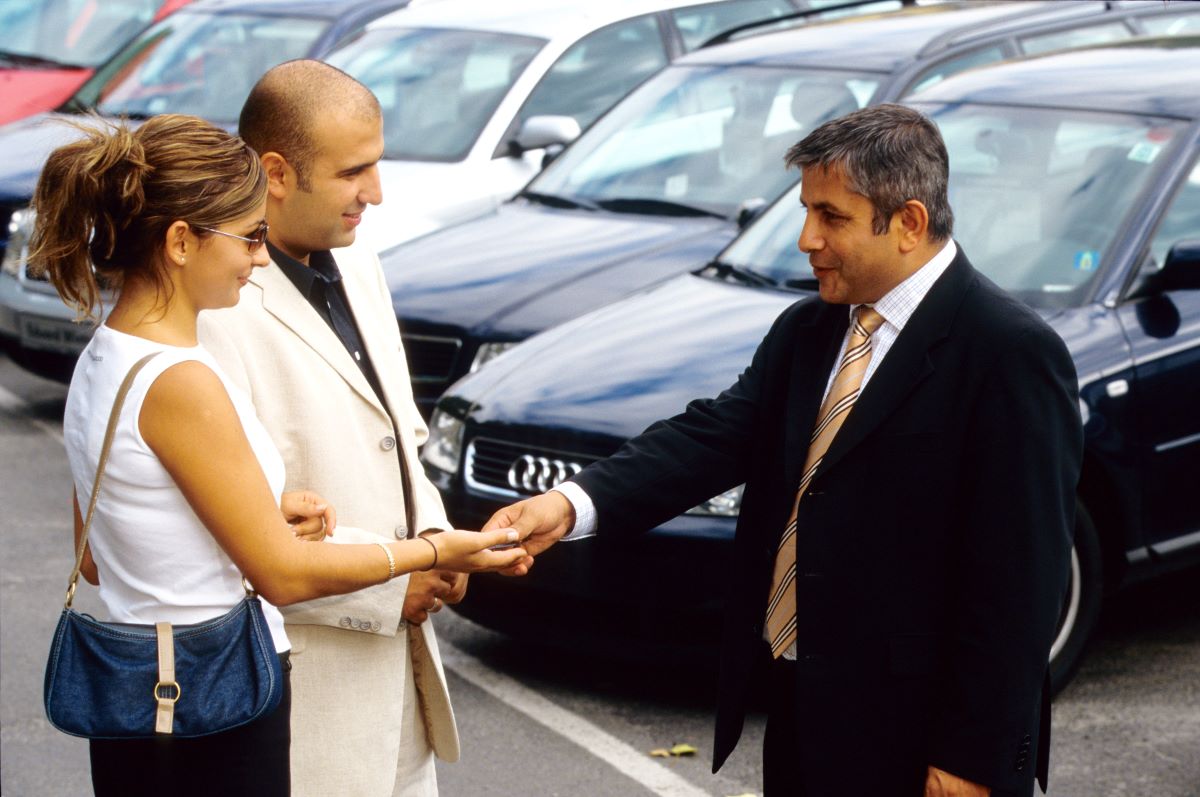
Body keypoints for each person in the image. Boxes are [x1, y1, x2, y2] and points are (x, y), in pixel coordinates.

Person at [484, 104, 1083, 797]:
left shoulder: (1008, 352)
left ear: (910, 224)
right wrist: (570, 504)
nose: (806, 238)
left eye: (831, 217)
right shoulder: (811, 329)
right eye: (806, 211)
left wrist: (972, 757)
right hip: (804, 712)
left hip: (923, 744)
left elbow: (1020, 582)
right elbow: (712, 434)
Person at [30, 113, 525, 797]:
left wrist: (255, 515)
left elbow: (97, 552)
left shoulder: (105, 355)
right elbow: (284, 575)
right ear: (181, 242)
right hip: (211, 702)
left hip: (145, 706)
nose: (261, 258)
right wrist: (436, 550)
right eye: (251, 236)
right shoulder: (183, 380)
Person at [196, 60, 466, 797]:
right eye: (355, 172)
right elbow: (230, 522)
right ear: (277, 173)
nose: (375, 194)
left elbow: (396, 432)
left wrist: (438, 545)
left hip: (405, 695)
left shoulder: (361, 258)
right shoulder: (212, 304)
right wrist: (393, 583)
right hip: (304, 704)